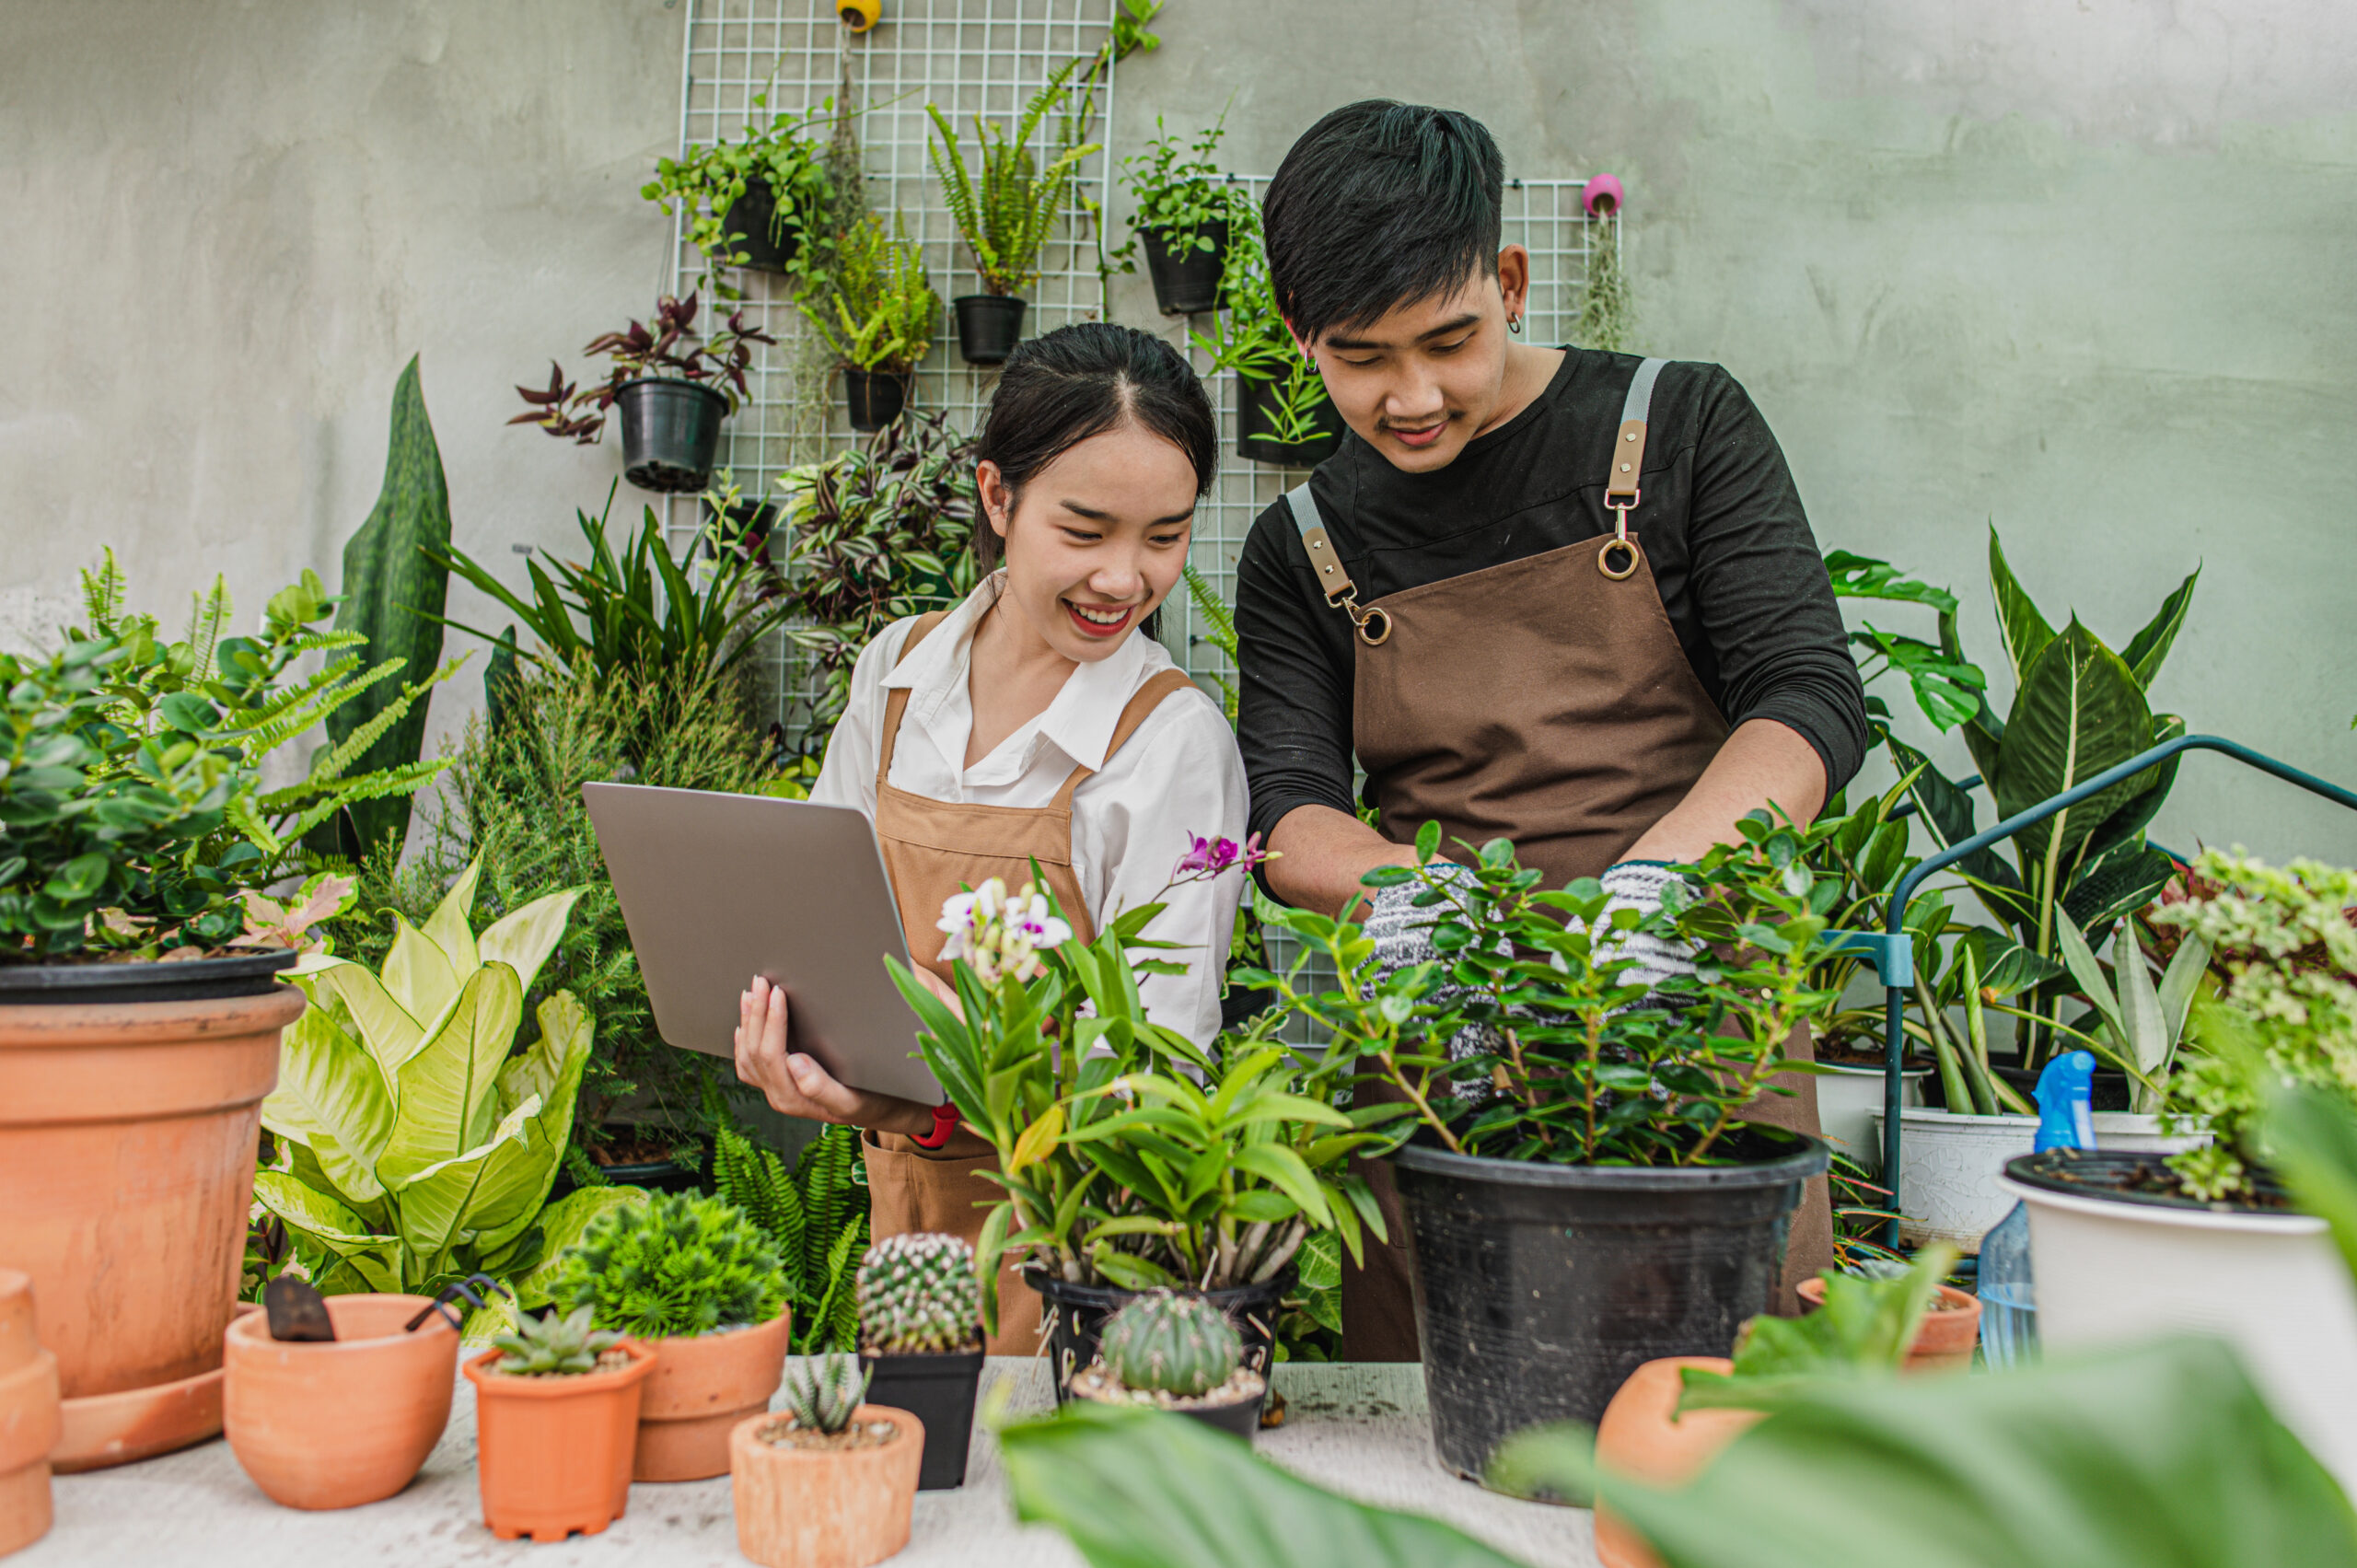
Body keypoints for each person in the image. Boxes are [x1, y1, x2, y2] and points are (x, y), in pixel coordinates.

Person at [1235, 102, 1870, 1360]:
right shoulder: (1300, 543)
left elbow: (1805, 696)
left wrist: (1653, 890)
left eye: (1449, 340)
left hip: (1691, 1011)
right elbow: (1290, 805)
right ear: (1301, 335)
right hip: (1444, 1041)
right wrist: (1436, 915)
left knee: (1720, 1423)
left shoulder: (1678, 425)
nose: (1410, 396)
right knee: (1447, 1434)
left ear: (1510, 281)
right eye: (1361, 356)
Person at [732, 323, 1247, 1353]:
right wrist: (796, 1038)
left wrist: (920, 1107)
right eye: (1086, 529)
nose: (1124, 578)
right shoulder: (900, 669)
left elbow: (1149, 1084)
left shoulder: (1169, 740)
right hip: (906, 1231)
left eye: (1164, 536)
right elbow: (825, 915)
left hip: (1078, 1252)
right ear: (997, 497)